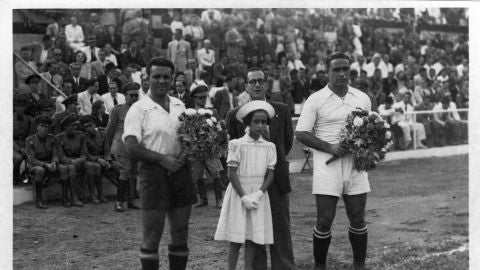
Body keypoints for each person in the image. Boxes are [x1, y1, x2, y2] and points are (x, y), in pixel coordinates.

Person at [295, 52, 372, 270]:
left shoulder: (362, 98)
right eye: (336, 69)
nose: (341, 74)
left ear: (350, 71)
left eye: (345, 69)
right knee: (325, 219)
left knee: (357, 216)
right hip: (326, 165)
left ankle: (359, 265)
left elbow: (370, 130)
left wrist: (364, 149)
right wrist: (330, 147)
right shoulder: (315, 99)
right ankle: (320, 266)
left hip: (355, 165)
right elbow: (301, 133)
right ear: (327, 72)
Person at [122, 58, 197, 269]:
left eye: (166, 77)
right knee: (153, 235)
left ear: (172, 79)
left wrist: (185, 152)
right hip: (152, 173)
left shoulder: (179, 105)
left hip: (180, 171)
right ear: (147, 78)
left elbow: (186, 136)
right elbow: (131, 146)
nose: (162, 81)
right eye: (157, 76)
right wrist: (162, 159)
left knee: (180, 230)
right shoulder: (138, 109)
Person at [225, 67, 295, 270]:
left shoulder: (281, 110)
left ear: (266, 84)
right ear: (246, 85)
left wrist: (270, 160)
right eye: (252, 81)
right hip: (248, 183)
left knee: (281, 230)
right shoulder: (234, 115)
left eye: (260, 81)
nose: (256, 85)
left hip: (277, 180)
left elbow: (286, 143)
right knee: (254, 232)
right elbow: (231, 148)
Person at [215, 100, 277, 270]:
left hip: (258, 193)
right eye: (256, 121)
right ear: (248, 123)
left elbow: (270, 174)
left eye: (263, 122)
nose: (260, 125)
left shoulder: (270, 147)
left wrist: (258, 194)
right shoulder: (237, 144)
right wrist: (243, 196)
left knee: (252, 237)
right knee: (236, 238)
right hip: (238, 193)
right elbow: (231, 173)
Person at [106, 82, 141, 212]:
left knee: (133, 172)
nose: (134, 98)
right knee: (125, 171)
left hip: (135, 144)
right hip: (121, 144)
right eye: (131, 95)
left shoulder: (140, 110)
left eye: (136, 95)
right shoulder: (118, 110)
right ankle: (119, 202)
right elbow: (110, 130)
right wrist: (111, 146)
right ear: (125, 96)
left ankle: (131, 200)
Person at [189, 81, 224, 209]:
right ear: (193, 98)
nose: (203, 100)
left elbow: (220, 127)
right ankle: (203, 199)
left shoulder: (212, 111)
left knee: (216, 173)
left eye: (204, 97)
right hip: (196, 149)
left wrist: (218, 141)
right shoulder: (190, 113)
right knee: (198, 174)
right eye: (200, 97)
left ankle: (219, 199)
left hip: (210, 148)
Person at [25, 116, 59, 209]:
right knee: (40, 170)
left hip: (49, 164)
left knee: (64, 168)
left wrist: (54, 162)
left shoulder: (52, 139)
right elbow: (31, 159)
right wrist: (45, 165)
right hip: (35, 166)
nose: (44, 129)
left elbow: (55, 153)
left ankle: (66, 198)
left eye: (47, 127)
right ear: (37, 127)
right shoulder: (29, 140)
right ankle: (39, 200)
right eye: (42, 126)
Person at [56, 113, 87, 207]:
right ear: (66, 127)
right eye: (72, 126)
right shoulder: (59, 138)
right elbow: (60, 156)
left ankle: (82, 196)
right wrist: (71, 161)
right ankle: (73, 198)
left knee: (90, 166)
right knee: (71, 168)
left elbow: (84, 152)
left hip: (79, 161)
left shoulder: (81, 135)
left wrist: (80, 159)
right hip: (66, 163)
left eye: (76, 125)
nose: (75, 127)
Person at [80, 115, 111, 204]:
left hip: (104, 159)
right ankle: (96, 194)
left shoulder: (102, 134)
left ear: (94, 124)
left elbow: (107, 150)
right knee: (95, 167)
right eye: (86, 127)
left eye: (90, 125)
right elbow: (85, 153)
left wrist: (107, 160)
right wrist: (98, 160)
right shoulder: (84, 137)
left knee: (117, 168)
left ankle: (123, 196)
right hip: (90, 160)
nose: (88, 129)